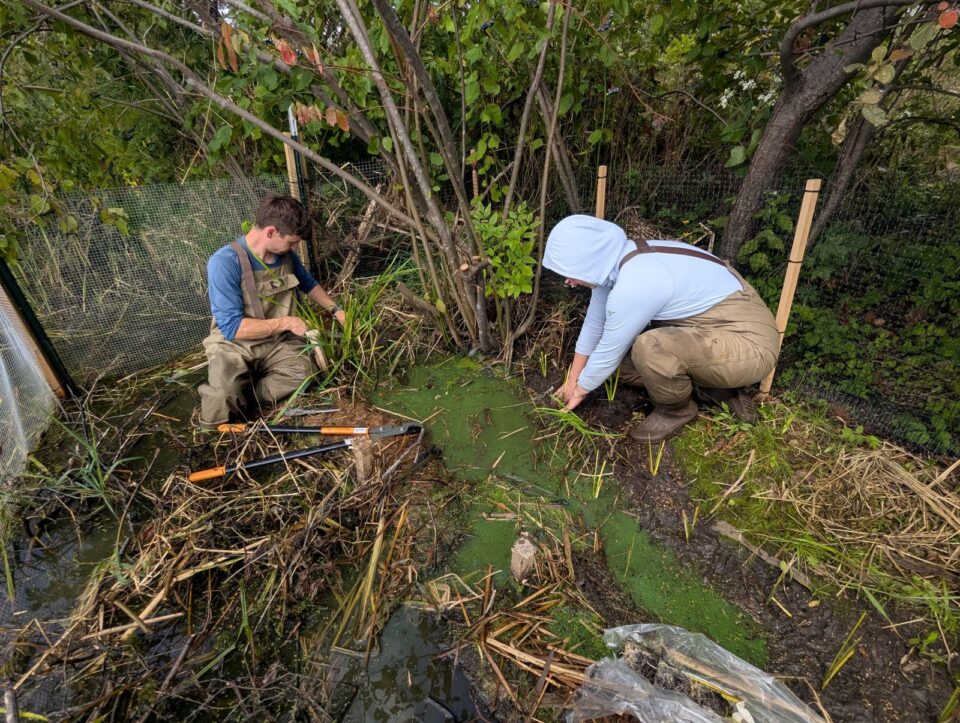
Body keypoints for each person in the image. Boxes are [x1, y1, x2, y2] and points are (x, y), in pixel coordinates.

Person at [543, 215, 780, 442]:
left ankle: (676, 410)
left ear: (590, 262)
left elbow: (607, 352)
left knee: (649, 349)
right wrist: (572, 380)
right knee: (616, 367)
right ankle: (718, 390)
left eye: (571, 273)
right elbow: (594, 326)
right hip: (704, 332)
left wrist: (579, 392)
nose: (569, 282)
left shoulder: (636, 282)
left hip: (749, 344)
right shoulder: (617, 262)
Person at [197, 194, 346, 428]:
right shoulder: (224, 262)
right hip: (235, 344)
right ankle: (232, 396)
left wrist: (337, 310)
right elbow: (232, 327)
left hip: (278, 343)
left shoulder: (284, 256)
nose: (294, 247)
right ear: (271, 232)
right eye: (292, 242)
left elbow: (308, 284)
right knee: (221, 398)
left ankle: (249, 394)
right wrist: (286, 322)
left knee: (305, 372)